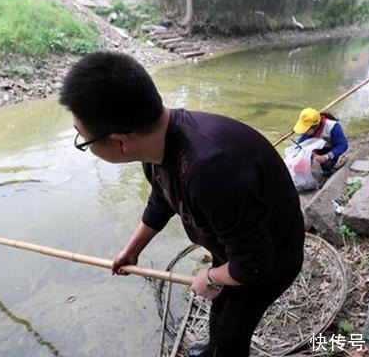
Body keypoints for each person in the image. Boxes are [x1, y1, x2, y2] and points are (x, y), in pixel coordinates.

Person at [59, 52, 305, 357]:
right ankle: (213, 347)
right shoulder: (156, 144)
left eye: (82, 140)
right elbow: (161, 199)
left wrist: (213, 277)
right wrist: (133, 249)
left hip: (270, 261)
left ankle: (224, 350)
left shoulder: (210, 169)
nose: (83, 144)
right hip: (232, 249)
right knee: (220, 306)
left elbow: (254, 264)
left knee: (233, 330)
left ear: (120, 141)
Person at [293, 108, 348, 177]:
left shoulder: (332, 126)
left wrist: (326, 156)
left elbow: (343, 145)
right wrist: (314, 154)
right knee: (301, 159)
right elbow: (301, 145)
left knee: (327, 166)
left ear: (315, 126)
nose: (304, 132)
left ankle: (328, 171)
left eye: (306, 130)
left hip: (330, 149)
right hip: (316, 149)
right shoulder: (307, 131)